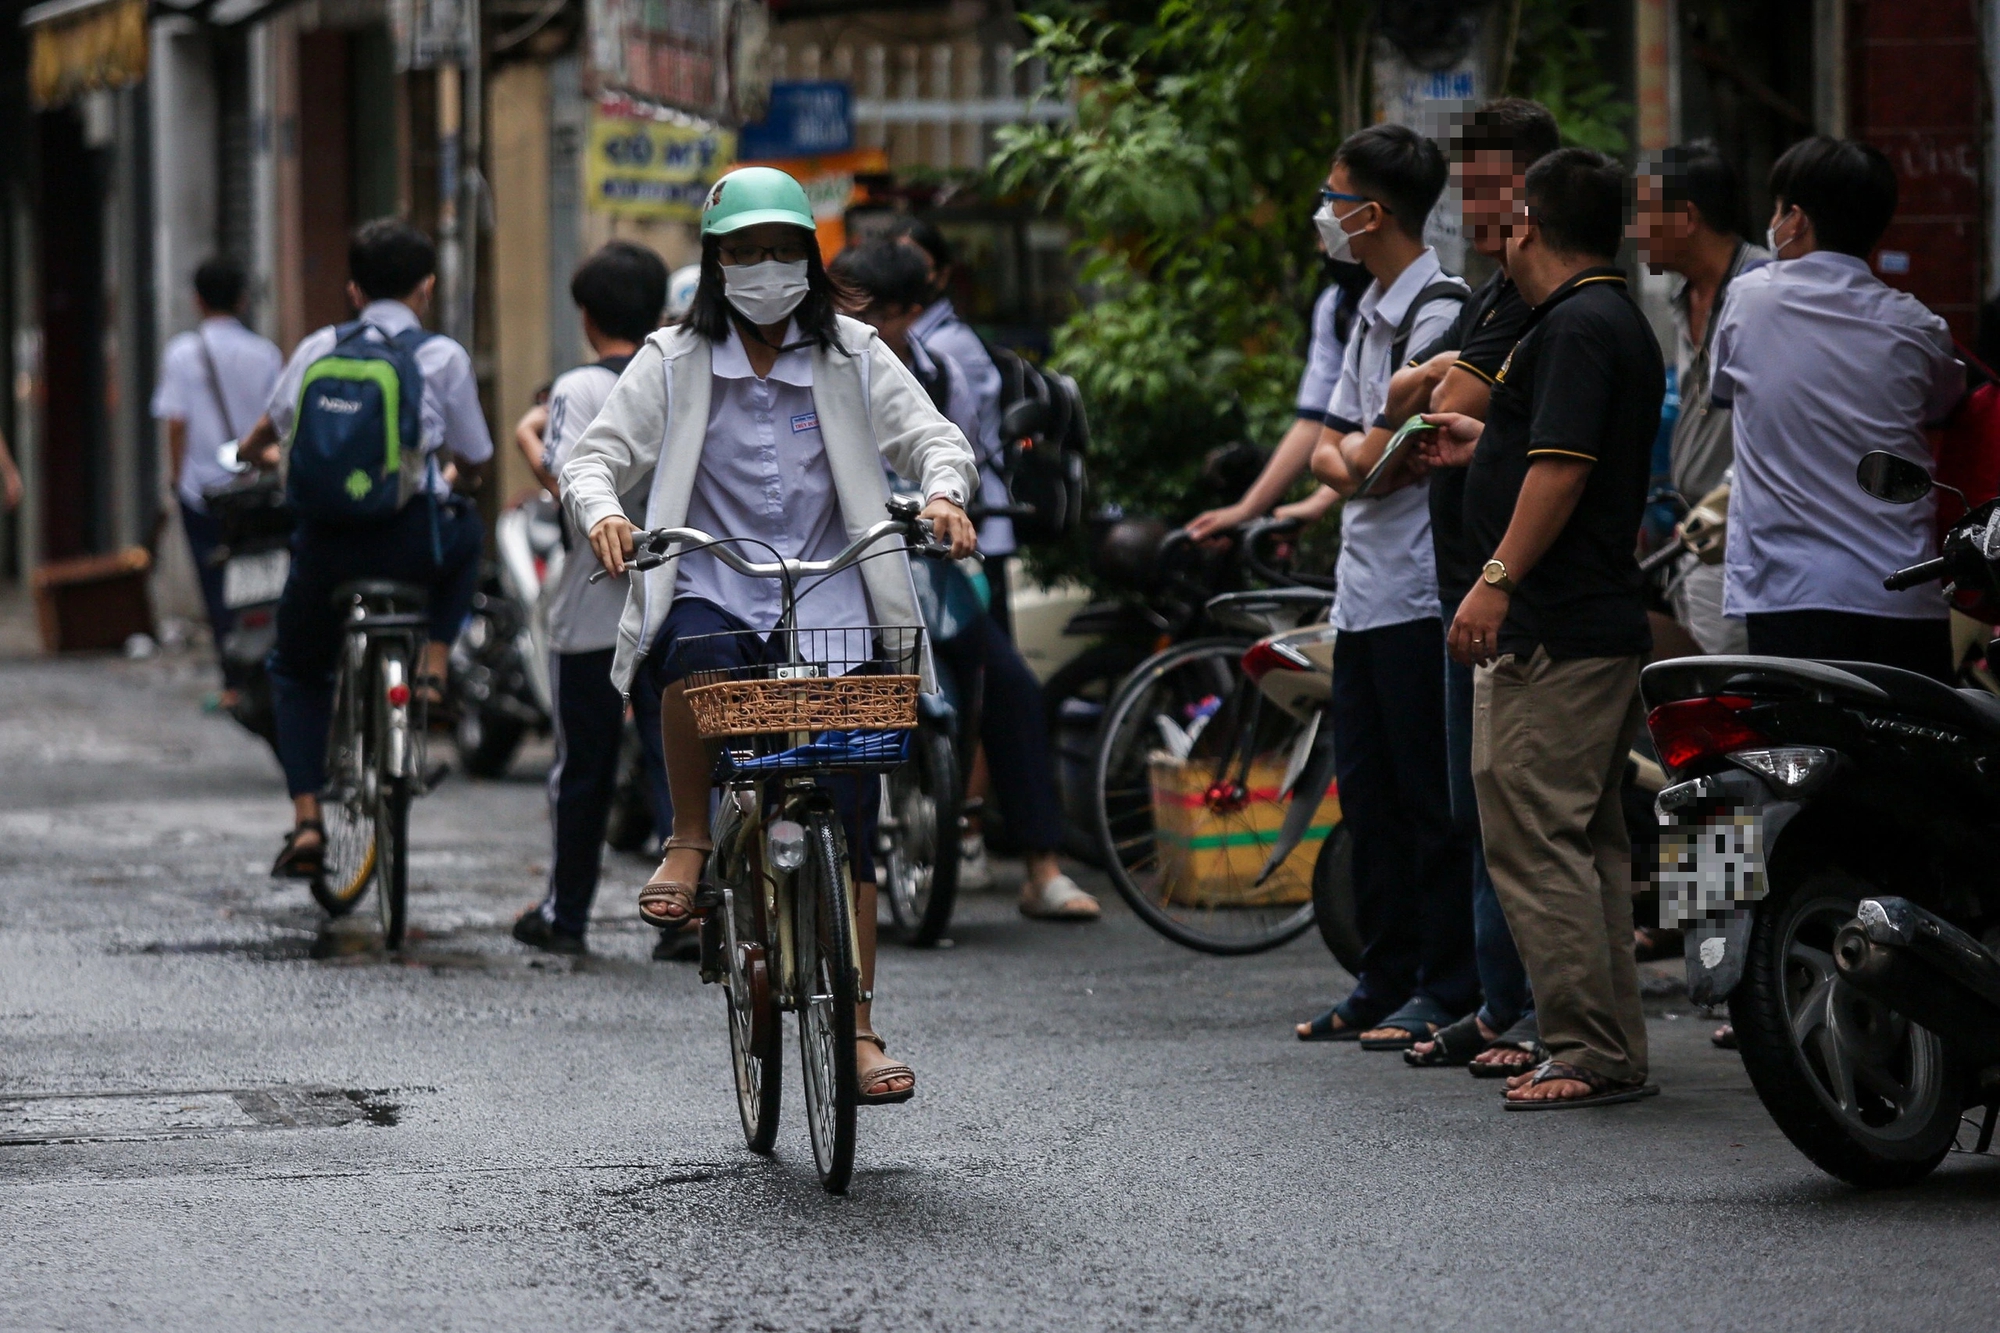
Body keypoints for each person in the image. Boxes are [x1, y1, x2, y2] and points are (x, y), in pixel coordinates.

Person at [560, 167, 977, 1103]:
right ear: (715, 265)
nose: (764, 269)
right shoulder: (672, 359)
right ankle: (692, 838)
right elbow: (596, 460)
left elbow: (935, 440)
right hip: (716, 578)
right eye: (743, 253)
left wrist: (945, 494)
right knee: (690, 662)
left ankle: (861, 1027)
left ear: (808, 259)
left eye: (782, 251)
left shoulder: (855, 353)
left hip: (836, 595)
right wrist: (603, 516)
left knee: (853, 810)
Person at [1420, 147, 1665, 1108]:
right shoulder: (1602, 318)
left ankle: (1587, 1048)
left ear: (1527, 222)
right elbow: (1557, 452)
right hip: (1585, 620)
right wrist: (1491, 443)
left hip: (1557, 626)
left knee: (1533, 831)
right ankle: (1605, 1040)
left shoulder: (1574, 326)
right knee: (1583, 837)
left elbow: (1563, 473)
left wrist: (1493, 578)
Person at [831, 238, 1101, 921]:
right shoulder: (817, 367)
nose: (853, 327)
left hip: (930, 565)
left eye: (869, 314)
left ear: (907, 313)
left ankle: (1041, 865)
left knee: (1009, 683)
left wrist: (946, 500)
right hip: (839, 571)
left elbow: (954, 452)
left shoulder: (941, 369)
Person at [1293, 123, 1477, 1047]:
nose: (1324, 215)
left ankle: (1444, 985)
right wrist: (1353, 455)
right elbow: (1342, 448)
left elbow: (1384, 462)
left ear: (1374, 211)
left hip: (1415, 590)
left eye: (1335, 198)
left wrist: (1353, 456)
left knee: (1426, 799)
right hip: (1361, 593)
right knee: (1365, 797)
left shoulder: (1437, 310)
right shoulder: (1366, 309)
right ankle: (1383, 975)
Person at [239, 219, 494, 879]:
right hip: (413, 543)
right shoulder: (444, 357)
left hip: (327, 549)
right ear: (427, 288)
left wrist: (276, 461)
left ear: (353, 290)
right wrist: (452, 477)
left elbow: (257, 441)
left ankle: (305, 822)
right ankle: (434, 667)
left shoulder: (318, 348)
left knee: (296, 671)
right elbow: (477, 457)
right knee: (467, 533)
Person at [1394, 97, 1559, 1077]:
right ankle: (1504, 1003)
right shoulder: (1494, 298)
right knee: (1475, 809)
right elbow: (1424, 410)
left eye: (1487, 184)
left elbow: (1450, 409)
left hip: (1517, 593)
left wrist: (1437, 382)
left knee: (1531, 818)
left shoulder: (1560, 310)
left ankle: (1548, 1009)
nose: (1472, 203)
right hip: (1466, 584)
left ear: (1531, 191)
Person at [1710, 136, 1965, 681]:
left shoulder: (1748, 300)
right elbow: (1947, 404)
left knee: (1799, 758)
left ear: (1795, 220)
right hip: (1902, 594)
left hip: (1790, 595)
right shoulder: (1920, 327)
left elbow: (1724, 391)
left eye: (1778, 210)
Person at [510, 242, 672, 956]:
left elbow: (575, 488)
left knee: (585, 768)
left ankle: (568, 913)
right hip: (677, 601)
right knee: (680, 760)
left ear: (585, 316)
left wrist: (528, 440)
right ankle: (686, 914)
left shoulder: (577, 388)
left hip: (594, 612)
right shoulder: (679, 374)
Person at [1629, 140, 1767, 655]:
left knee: (1728, 688)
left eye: (1644, 214)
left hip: (1743, 530)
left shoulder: (1764, 290)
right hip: (1691, 528)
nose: (1636, 230)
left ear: (1685, 217)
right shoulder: (1679, 295)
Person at [150, 258, 284, 702]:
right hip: (256, 488)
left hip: (201, 489)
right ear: (243, 299)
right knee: (266, 578)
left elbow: (175, 423)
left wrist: (175, 477)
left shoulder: (181, 354)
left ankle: (232, 681)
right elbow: (279, 420)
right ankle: (268, 669)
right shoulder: (265, 353)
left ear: (197, 301)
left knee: (215, 585)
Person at [1185, 254, 1373, 541]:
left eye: (1331, 227)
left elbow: (1395, 429)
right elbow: (1312, 422)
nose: (1322, 245)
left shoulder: (1425, 307)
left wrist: (1320, 500)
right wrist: (1246, 510)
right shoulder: (1336, 306)